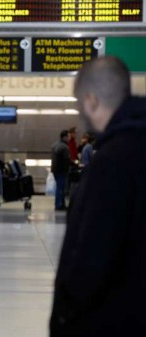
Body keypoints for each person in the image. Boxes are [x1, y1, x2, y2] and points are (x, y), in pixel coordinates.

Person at [50, 56, 146, 336]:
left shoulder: (111, 164)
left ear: (91, 100)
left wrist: (65, 318)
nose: (80, 112)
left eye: (79, 103)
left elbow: (90, 258)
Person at [51, 130, 70, 211]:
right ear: (64, 137)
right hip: (62, 170)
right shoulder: (65, 147)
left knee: (59, 187)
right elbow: (67, 160)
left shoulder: (54, 145)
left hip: (55, 170)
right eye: (68, 136)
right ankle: (59, 205)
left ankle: (60, 204)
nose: (69, 138)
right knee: (61, 188)